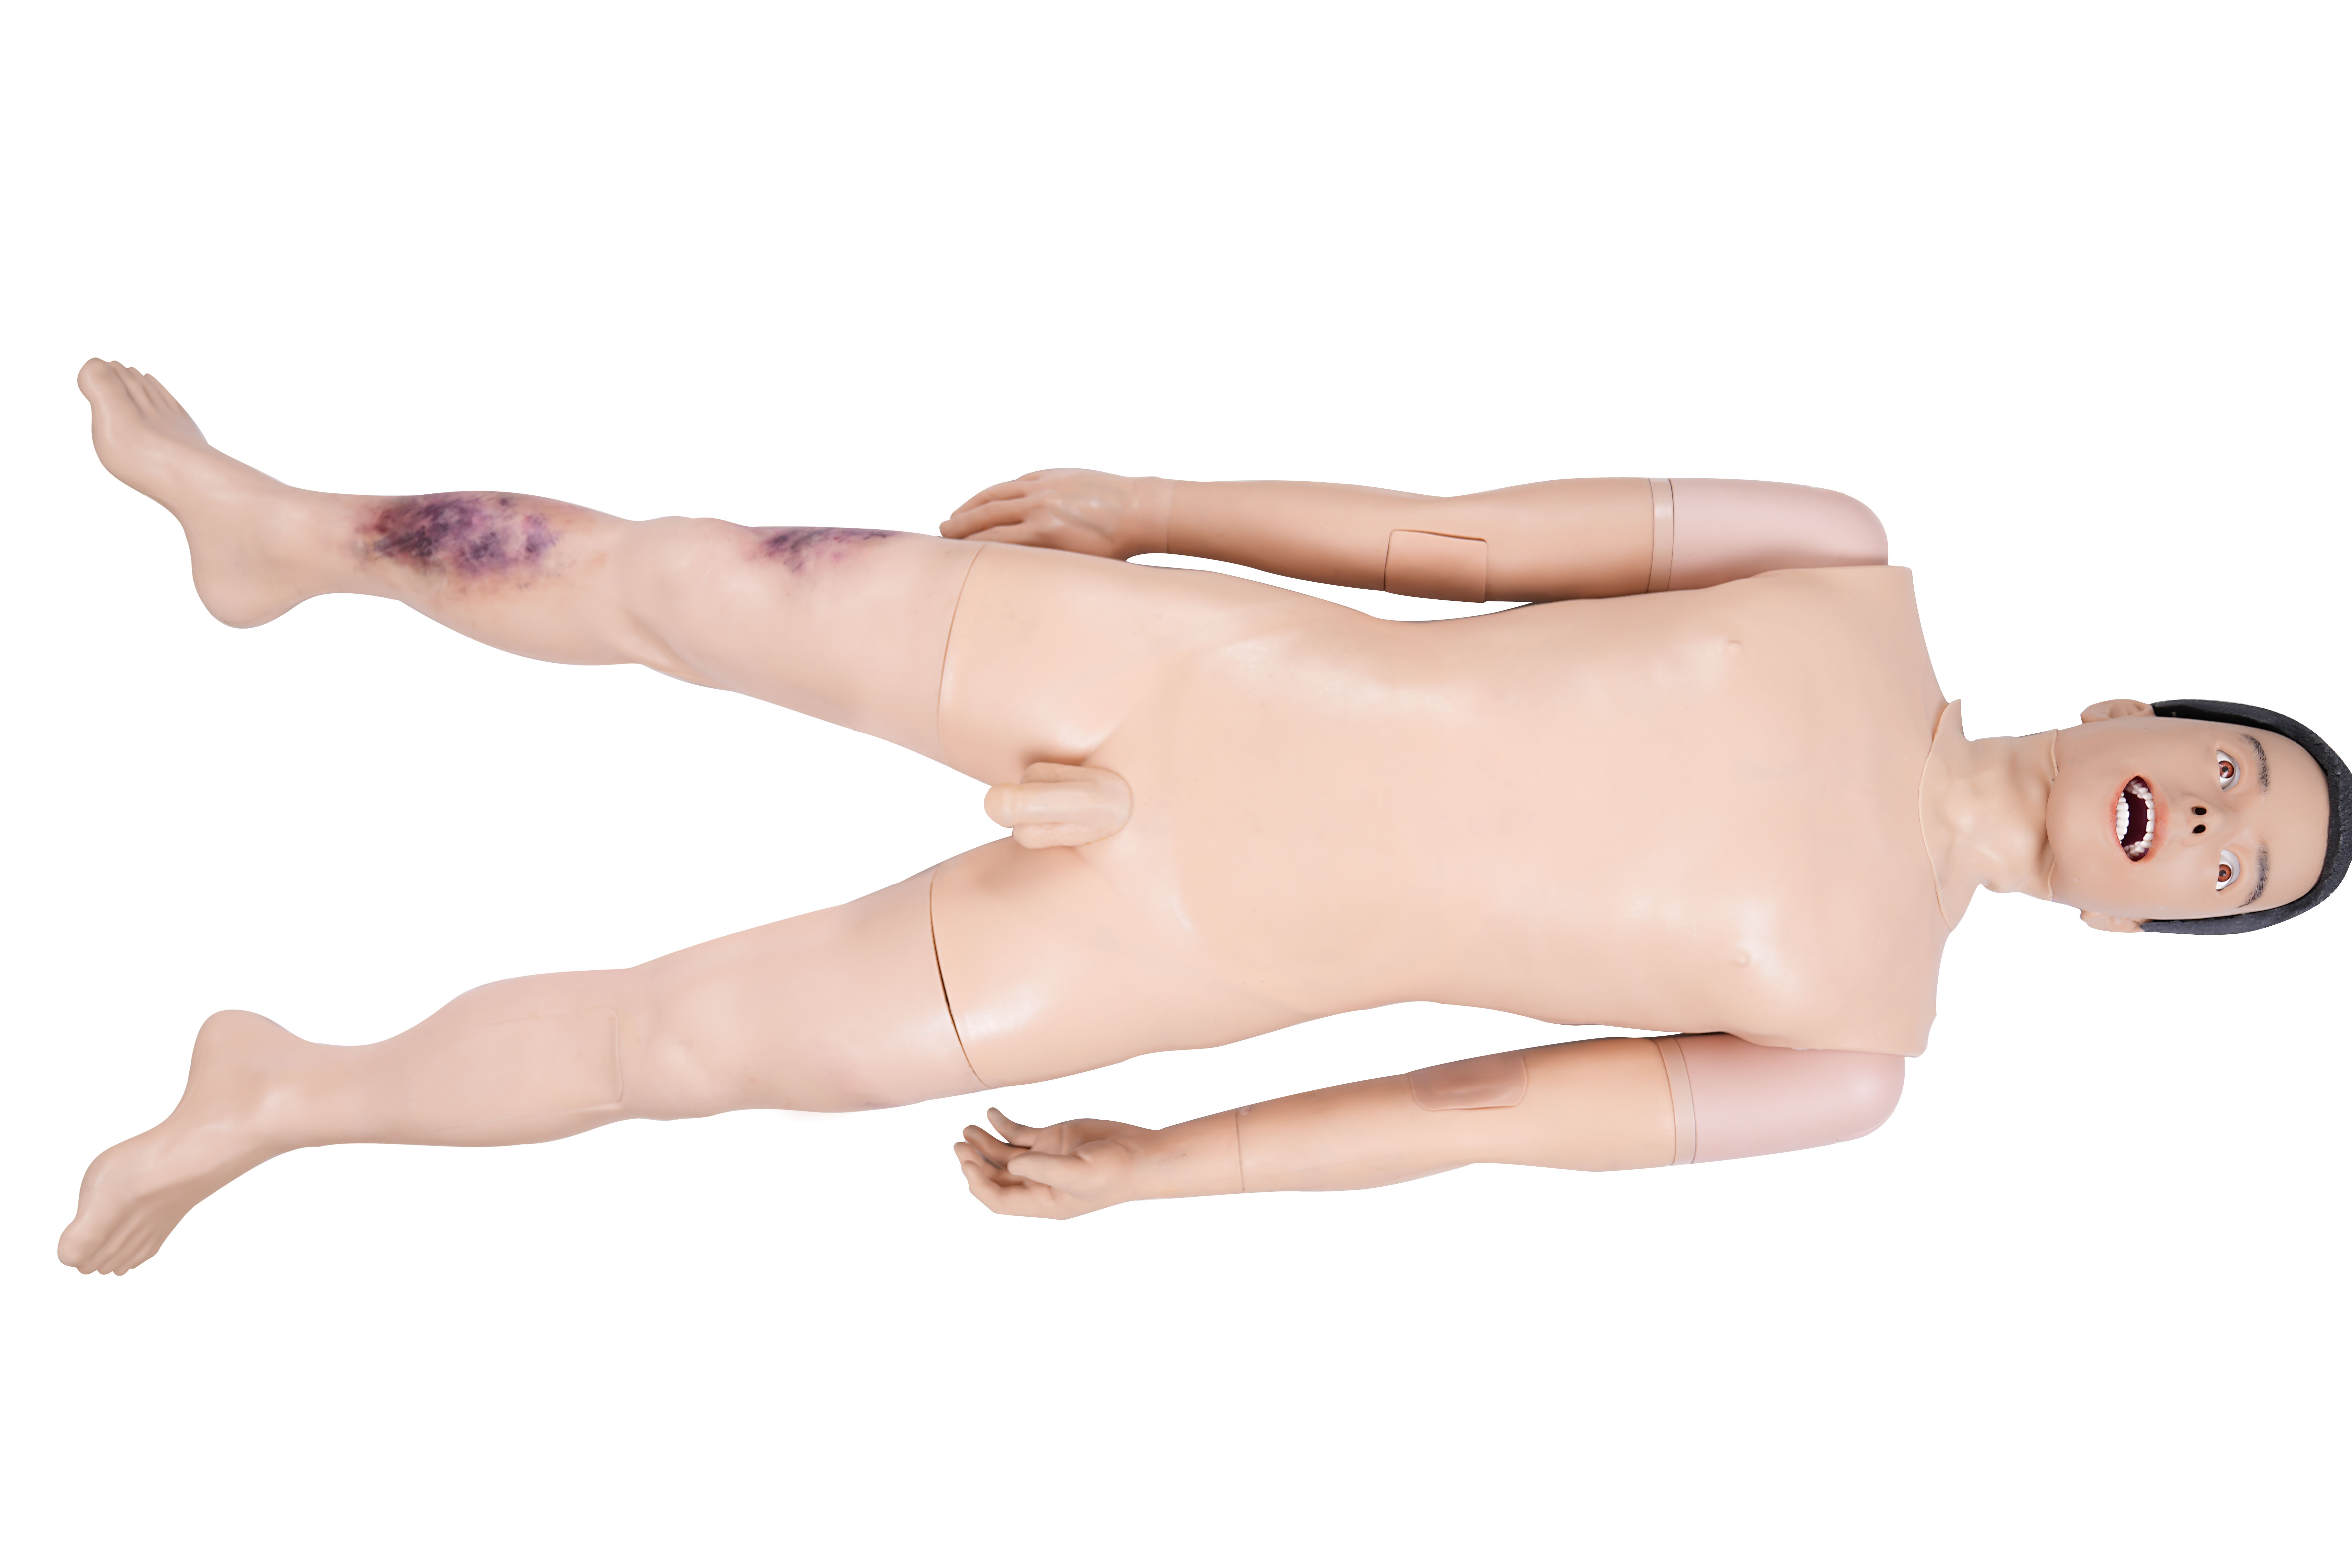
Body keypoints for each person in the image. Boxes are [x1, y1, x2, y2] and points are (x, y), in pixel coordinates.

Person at [57, 360, 2347, 1274]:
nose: (2210, 822)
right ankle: (282, 530)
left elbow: (1477, 1115)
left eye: (2237, 871)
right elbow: (1466, 539)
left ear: (2142, 931)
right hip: (1174, 667)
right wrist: (1158, 502)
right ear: (2138, 712)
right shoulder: (1843, 562)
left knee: (682, 1051)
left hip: (1166, 954)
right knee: (686, 582)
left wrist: (1176, 1168)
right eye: (2236, 773)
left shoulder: (1853, 1058)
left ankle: (282, 1102)